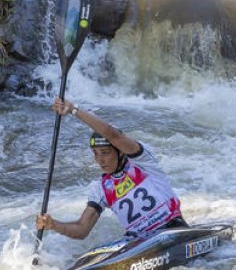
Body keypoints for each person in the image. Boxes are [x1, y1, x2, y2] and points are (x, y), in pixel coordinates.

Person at [36, 99, 186, 240]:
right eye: (96, 153)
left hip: (171, 228)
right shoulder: (101, 189)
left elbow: (112, 134)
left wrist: (74, 110)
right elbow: (82, 229)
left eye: (105, 153)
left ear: (120, 151)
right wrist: (54, 225)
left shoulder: (142, 162)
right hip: (138, 241)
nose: (100, 160)